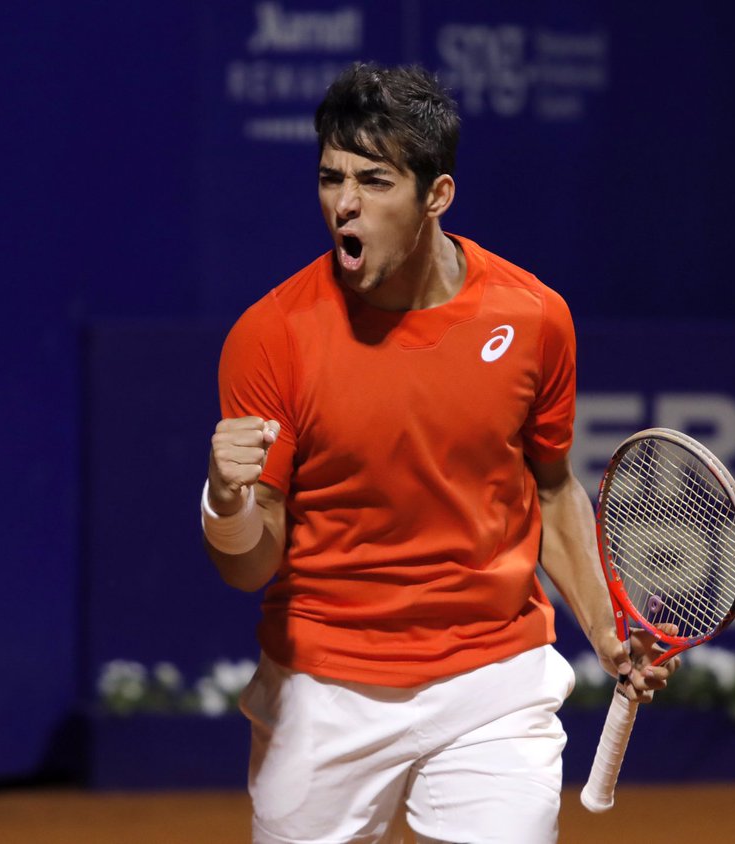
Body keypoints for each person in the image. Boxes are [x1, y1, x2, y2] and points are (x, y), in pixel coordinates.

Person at [200, 62, 677, 843]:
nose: (344, 204)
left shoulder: (534, 318)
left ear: (437, 196)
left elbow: (550, 488)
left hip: (493, 681)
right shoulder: (271, 337)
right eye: (331, 178)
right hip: (325, 688)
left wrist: (603, 630)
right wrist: (224, 501)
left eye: (375, 182)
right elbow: (250, 566)